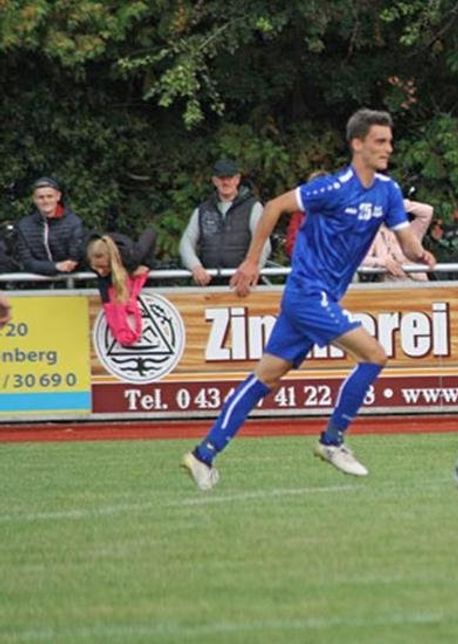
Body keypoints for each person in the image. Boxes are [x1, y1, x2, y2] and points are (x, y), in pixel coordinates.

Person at [181, 108, 436, 491]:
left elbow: (406, 240)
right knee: (375, 354)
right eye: (380, 141)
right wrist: (251, 261)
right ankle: (331, 441)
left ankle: (203, 455)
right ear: (357, 144)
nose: (389, 147)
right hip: (306, 294)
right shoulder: (332, 188)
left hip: (317, 298)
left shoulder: (388, 191)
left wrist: (421, 255)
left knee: (265, 377)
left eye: (389, 140)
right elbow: (273, 207)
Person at [179, 159, 270, 286]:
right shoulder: (202, 209)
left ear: (237, 179)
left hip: (244, 285)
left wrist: (253, 269)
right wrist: (195, 267)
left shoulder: (253, 207)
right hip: (210, 284)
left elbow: (263, 243)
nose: (226, 182)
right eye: (221, 178)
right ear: (214, 180)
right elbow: (186, 243)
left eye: (230, 177)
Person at [87, 229, 157, 346]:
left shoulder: (133, 256)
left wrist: (147, 264)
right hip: (111, 264)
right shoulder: (87, 255)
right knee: (109, 302)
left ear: (111, 261)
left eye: (103, 267)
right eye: (96, 267)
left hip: (125, 258)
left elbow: (151, 232)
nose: (99, 271)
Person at [14, 177, 86, 276]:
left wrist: (66, 265)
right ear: (34, 199)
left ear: (58, 196)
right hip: (35, 285)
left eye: (49, 196)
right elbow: (26, 262)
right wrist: (56, 267)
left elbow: (74, 259)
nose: (45, 201)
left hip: (70, 283)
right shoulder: (23, 225)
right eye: (41, 197)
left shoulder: (74, 223)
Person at [361, 199, 433, 280]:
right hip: (392, 286)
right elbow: (360, 260)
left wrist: (397, 203)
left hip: (419, 283)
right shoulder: (374, 234)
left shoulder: (411, 230)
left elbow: (428, 211)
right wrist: (383, 262)